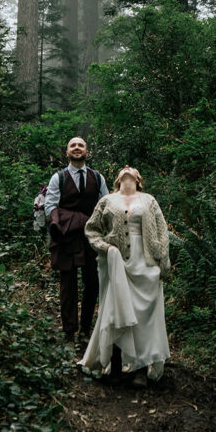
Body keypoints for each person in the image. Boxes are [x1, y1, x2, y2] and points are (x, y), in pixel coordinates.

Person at [80, 166, 170, 387]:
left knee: (143, 317)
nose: (127, 169)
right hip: (116, 263)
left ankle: (140, 367)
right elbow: (91, 229)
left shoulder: (149, 200)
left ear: (139, 179)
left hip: (146, 263)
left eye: (132, 169)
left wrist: (162, 262)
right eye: (123, 169)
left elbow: (162, 231)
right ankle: (117, 366)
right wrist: (105, 247)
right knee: (117, 310)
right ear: (118, 178)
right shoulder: (107, 201)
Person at [44, 137, 109, 343]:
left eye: (81, 145)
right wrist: (58, 225)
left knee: (92, 283)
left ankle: (85, 330)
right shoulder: (58, 178)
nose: (77, 148)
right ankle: (69, 330)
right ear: (67, 152)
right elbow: (50, 206)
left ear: (87, 152)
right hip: (67, 236)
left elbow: (106, 205)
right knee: (68, 284)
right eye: (73, 145)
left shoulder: (97, 178)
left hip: (92, 237)